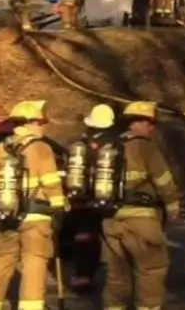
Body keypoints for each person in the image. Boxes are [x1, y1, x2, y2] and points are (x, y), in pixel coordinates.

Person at [0, 100, 66, 310]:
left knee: (0, 262)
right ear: (31, 123)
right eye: (42, 122)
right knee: (35, 263)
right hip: (36, 217)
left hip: (6, 214)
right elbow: (51, 182)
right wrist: (59, 208)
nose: (44, 126)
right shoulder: (41, 148)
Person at [100, 101, 182, 310]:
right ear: (144, 123)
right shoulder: (145, 146)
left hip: (111, 219)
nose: (152, 129)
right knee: (151, 271)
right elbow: (164, 181)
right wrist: (173, 208)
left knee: (117, 276)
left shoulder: (110, 146)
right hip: (141, 221)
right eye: (151, 124)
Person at [66, 104, 117, 292]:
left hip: (82, 198)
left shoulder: (80, 143)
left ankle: (82, 277)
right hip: (108, 198)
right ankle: (116, 279)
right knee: (110, 240)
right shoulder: (115, 144)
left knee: (84, 238)